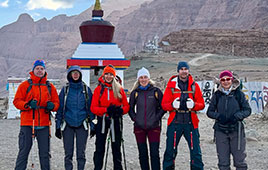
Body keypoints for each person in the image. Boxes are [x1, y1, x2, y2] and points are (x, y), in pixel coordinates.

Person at [13, 59, 59, 170]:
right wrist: (27, 105)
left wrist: (52, 106)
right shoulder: (25, 85)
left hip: (44, 125)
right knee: (23, 152)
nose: (39, 71)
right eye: (37, 68)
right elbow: (17, 101)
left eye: (41, 69)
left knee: (45, 154)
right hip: (28, 124)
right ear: (33, 70)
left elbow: (57, 103)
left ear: (45, 71)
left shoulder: (49, 87)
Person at [161, 61, 205, 170]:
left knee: (195, 151)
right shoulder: (171, 86)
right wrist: (172, 105)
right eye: (181, 69)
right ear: (178, 71)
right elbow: (164, 105)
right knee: (170, 151)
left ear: (188, 70)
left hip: (191, 123)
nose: (184, 71)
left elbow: (202, 104)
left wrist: (194, 105)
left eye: (186, 69)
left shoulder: (194, 86)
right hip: (175, 123)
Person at [206, 70, 251, 170]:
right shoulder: (217, 95)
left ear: (232, 80)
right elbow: (209, 112)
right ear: (220, 81)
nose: (226, 82)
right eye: (223, 79)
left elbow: (247, 110)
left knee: (240, 161)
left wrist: (237, 116)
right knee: (223, 162)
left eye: (228, 79)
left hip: (237, 131)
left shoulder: (239, 94)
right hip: (220, 130)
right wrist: (219, 116)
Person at [55, 65, 95, 170]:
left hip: (82, 125)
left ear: (80, 75)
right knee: (68, 153)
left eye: (77, 73)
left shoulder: (86, 90)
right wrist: (57, 126)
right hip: (67, 125)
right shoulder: (65, 90)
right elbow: (60, 109)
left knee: (81, 153)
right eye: (73, 73)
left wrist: (93, 125)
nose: (75, 75)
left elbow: (91, 109)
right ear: (70, 75)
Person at [90, 64, 130, 170]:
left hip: (116, 120)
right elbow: (93, 108)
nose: (108, 76)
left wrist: (120, 111)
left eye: (111, 74)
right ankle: (97, 167)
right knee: (99, 147)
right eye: (106, 74)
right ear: (103, 75)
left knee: (116, 147)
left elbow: (126, 106)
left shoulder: (119, 89)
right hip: (102, 120)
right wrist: (106, 110)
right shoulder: (99, 89)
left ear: (114, 76)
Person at [129, 67, 166, 170]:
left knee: (154, 153)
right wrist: (135, 119)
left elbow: (163, 107)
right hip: (139, 127)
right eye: (141, 77)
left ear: (149, 78)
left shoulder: (156, 91)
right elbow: (130, 108)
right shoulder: (135, 93)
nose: (143, 79)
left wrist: (156, 118)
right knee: (142, 153)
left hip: (154, 127)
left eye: (145, 77)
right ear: (138, 79)